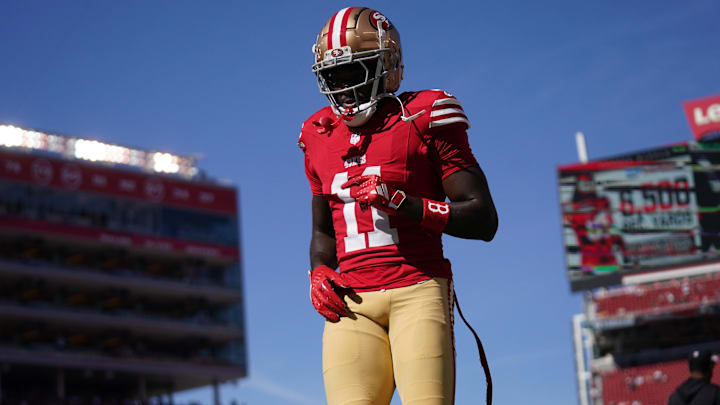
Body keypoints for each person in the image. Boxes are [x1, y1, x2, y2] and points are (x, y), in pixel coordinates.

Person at [299, 7, 498, 405]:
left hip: (418, 287)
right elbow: (324, 232)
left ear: (386, 65)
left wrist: (404, 203)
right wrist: (319, 271)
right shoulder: (318, 132)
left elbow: (483, 219)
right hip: (351, 301)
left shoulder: (425, 114)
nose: (344, 89)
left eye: (355, 73)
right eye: (334, 77)